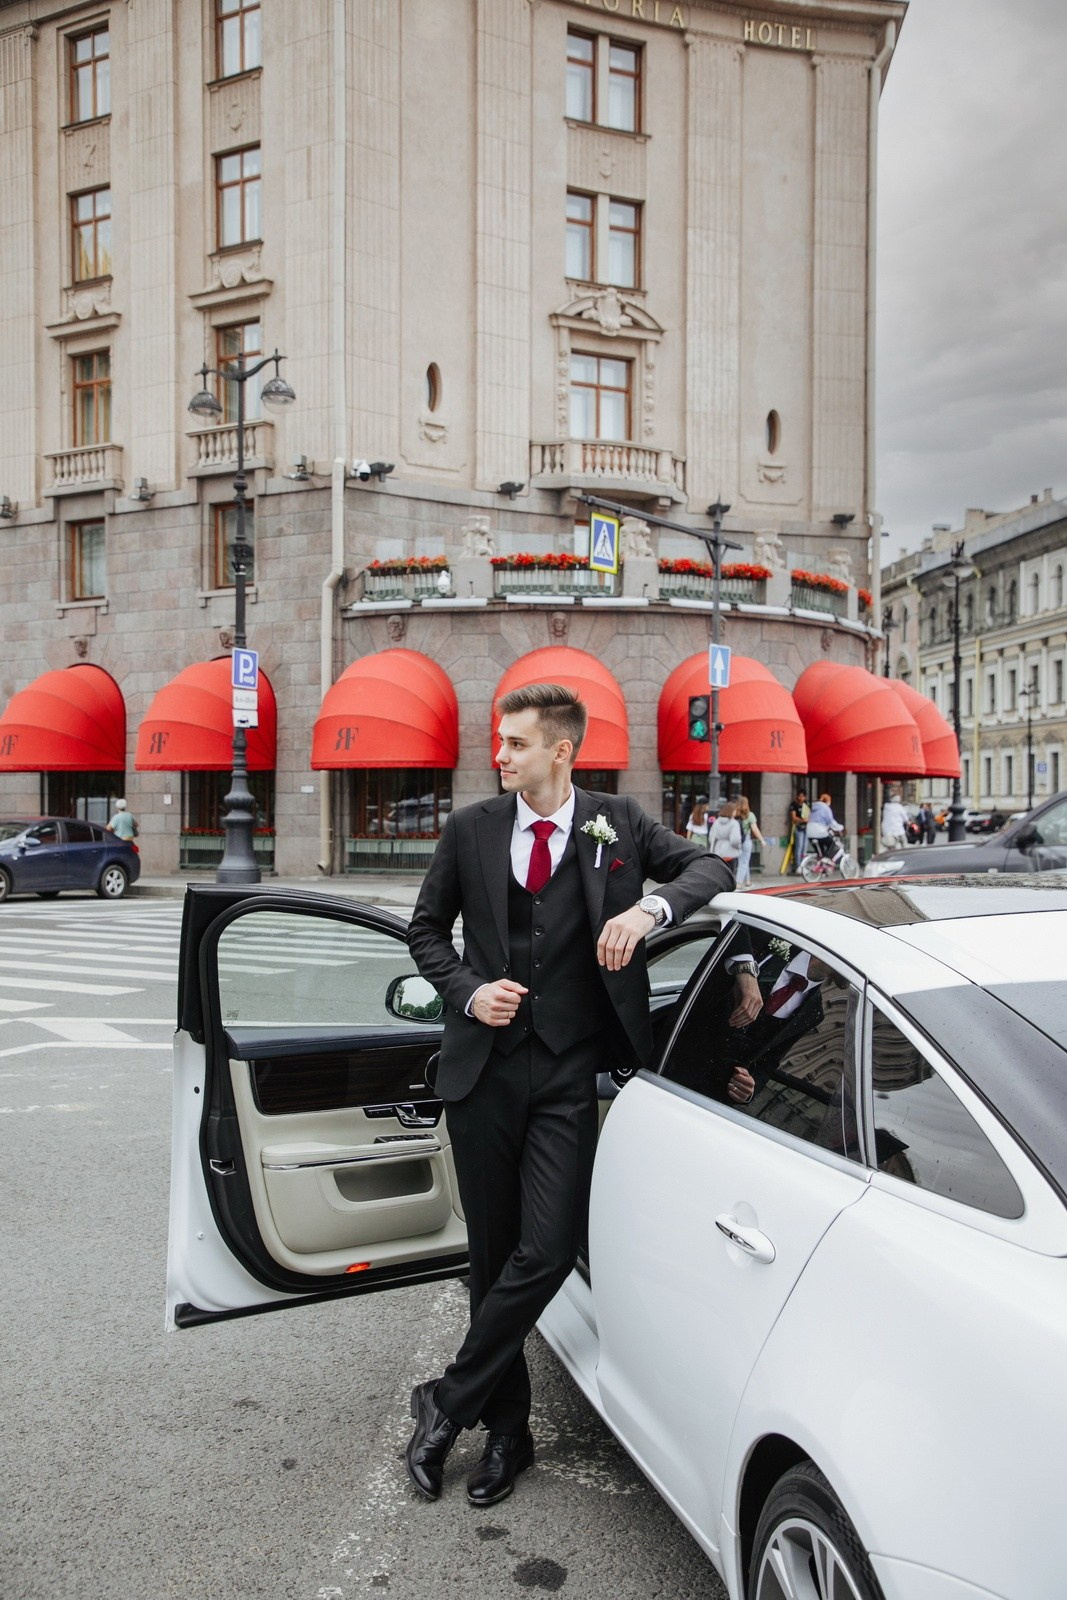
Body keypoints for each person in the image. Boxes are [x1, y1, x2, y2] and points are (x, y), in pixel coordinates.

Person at [404, 683, 750, 1508]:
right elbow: (423, 931)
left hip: (568, 1069)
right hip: (482, 1070)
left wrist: (652, 909)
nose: (500, 755)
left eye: (516, 743)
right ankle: (508, 1434)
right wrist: (466, 991)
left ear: (561, 751)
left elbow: (712, 866)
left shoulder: (618, 822)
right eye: (500, 741)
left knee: (549, 1251)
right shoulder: (470, 829)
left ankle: (445, 1402)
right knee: (493, 1262)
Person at [735, 795, 764, 887]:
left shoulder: (735, 814)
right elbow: (755, 829)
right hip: (746, 840)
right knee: (744, 861)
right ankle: (738, 882)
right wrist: (762, 840)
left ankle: (747, 881)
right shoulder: (749, 815)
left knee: (743, 860)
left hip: (737, 840)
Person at [806, 793, 842, 860]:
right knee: (832, 844)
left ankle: (821, 862)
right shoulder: (826, 808)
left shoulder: (813, 807)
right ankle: (828, 860)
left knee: (820, 851)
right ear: (828, 801)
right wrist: (840, 828)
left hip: (809, 833)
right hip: (820, 832)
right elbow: (831, 822)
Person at [707, 799, 742, 865]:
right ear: (731, 811)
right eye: (735, 810)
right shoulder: (734, 823)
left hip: (718, 852)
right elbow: (735, 840)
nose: (736, 812)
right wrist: (739, 847)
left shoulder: (717, 822)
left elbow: (711, 838)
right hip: (731, 853)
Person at [788, 791, 809, 874]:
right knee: (798, 847)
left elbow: (809, 814)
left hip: (806, 828)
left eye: (803, 796)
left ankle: (804, 865)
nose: (801, 798)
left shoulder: (806, 804)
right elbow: (793, 817)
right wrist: (802, 820)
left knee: (804, 848)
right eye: (800, 796)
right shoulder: (794, 805)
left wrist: (807, 820)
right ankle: (798, 866)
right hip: (798, 828)